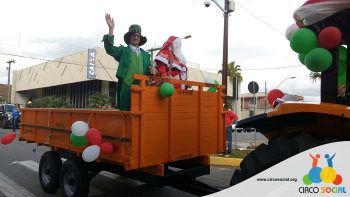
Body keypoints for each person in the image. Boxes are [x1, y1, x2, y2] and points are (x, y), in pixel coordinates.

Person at [102, 13, 157, 111]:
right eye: (133, 35)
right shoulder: (123, 51)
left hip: (142, 87)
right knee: (125, 111)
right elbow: (110, 49)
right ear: (129, 38)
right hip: (127, 86)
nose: (135, 37)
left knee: (141, 112)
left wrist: (153, 70)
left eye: (137, 36)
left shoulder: (145, 55)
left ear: (140, 39)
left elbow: (149, 71)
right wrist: (111, 29)